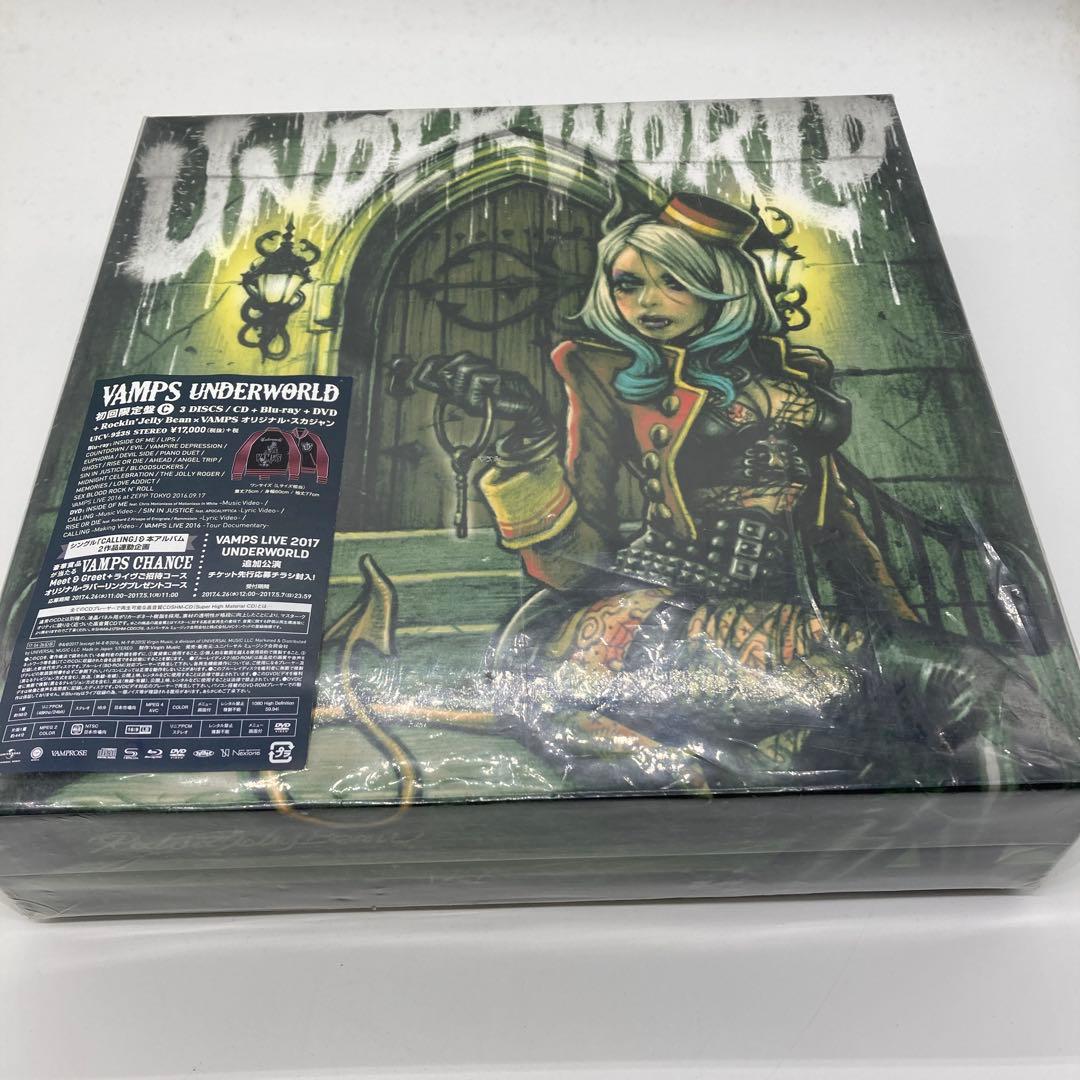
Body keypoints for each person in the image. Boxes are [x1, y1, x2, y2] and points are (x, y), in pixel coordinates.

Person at [416, 193, 1078, 793]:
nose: (645, 303)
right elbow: (574, 558)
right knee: (962, 682)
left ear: (721, 288)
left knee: (958, 690)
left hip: (784, 613)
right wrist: (527, 442)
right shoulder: (613, 378)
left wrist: (894, 618)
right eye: (628, 283)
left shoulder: (790, 376)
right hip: (666, 617)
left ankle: (1018, 813)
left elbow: (834, 525)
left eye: (675, 281)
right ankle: (1020, 813)